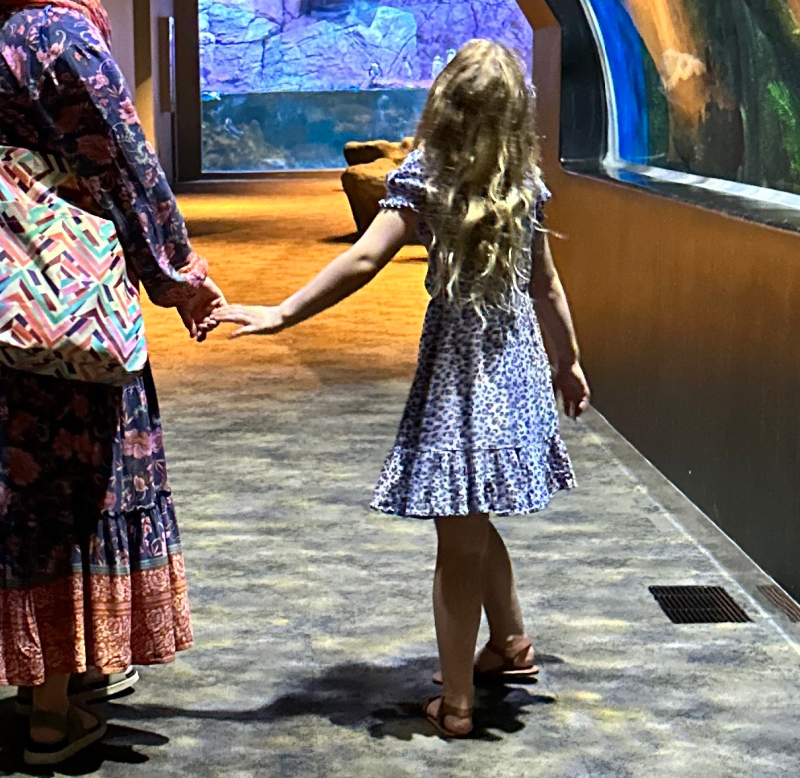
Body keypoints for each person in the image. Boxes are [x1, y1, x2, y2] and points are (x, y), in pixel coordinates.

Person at [0, 0, 224, 766]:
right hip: (68, 299)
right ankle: (56, 714)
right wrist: (175, 272)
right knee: (76, 486)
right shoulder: (58, 32)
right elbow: (124, 163)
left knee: (12, 488)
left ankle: (47, 678)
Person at [211, 39, 588, 739]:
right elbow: (547, 286)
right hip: (514, 370)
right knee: (472, 513)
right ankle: (511, 644)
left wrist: (283, 312)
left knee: (459, 541)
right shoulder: (522, 181)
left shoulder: (429, 172)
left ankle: (458, 703)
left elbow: (364, 258)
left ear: (445, 103)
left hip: (460, 378)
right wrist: (567, 362)